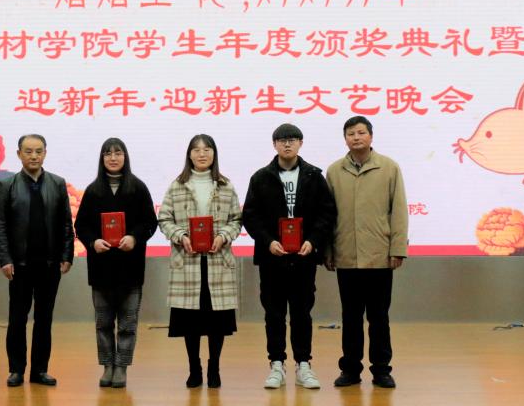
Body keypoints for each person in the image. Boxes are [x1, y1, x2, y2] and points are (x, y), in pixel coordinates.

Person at [242, 123, 336, 390]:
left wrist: (313, 241)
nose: (287, 144)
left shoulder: (314, 176)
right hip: (272, 258)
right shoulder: (261, 177)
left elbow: (327, 213)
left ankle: (303, 364)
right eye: (282, 140)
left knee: (302, 312)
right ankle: (276, 364)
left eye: (292, 139)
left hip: (304, 258)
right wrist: (268, 241)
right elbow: (251, 216)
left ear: (300, 144)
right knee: (274, 313)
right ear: (274, 144)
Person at [324, 116, 408, 389]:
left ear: (371, 136)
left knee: (379, 318)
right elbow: (328, 216)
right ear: (345, 138)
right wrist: (328, 250)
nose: (356, 137)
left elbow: (399, 211)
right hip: (346, 256)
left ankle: (381, 370)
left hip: (379, 256)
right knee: (350, 317)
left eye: (361, 132)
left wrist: (397, 248)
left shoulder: (389, 168)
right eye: (351, 133)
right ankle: (350, 370)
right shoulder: (334, 171)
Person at [158, 134, 242, 389]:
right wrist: (181, 236)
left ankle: (214, 367)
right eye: (196, 150)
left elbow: (237, 220)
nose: (202, 154)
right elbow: (164, 218)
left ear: (214, 154)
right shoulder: (177, 185)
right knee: (191, 321)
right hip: (188, 261)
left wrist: (223, 236)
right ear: (189, 155)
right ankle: (194, 368)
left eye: (207, 149)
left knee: (217, 322)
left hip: (218, 260)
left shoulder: (226, 185)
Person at [73, 138, 159, 389]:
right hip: (101, 269)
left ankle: (121, 367)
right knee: (103, 323)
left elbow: (150, 222)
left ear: (125, 157)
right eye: (108, 154)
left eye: (118, 153)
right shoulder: (93, 190)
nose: (113, 158)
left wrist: (134, 237)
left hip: (130, 268)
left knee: (128, 324)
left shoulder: (138, 188)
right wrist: (93, 241)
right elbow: (81, 225)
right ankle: (107, 365)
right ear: (102, 159)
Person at [0, 133, 74, 387]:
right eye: (28, 151)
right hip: (19, 265)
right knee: (17, 319)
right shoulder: (7, 185)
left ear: (45, 153)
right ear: (19, 154)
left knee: (44, 319)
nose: (34, 156)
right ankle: (16, 370)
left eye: (38, 151)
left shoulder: (57, 184)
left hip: (49, 265)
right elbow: (1, 225)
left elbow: (66, 223)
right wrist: (5, 259)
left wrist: (67, 255)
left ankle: (40, 370)